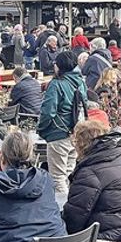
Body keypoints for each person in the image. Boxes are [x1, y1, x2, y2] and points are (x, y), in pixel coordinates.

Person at [37, 50, 87, 195]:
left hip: (58, 133)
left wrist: (41, 129)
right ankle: (71, 201)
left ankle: (63, 206)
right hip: (76, 132)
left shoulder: (56, 84)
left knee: (57, 176)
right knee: (68, 174)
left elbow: (48, 112)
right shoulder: (80, 82)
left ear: (59, 66)